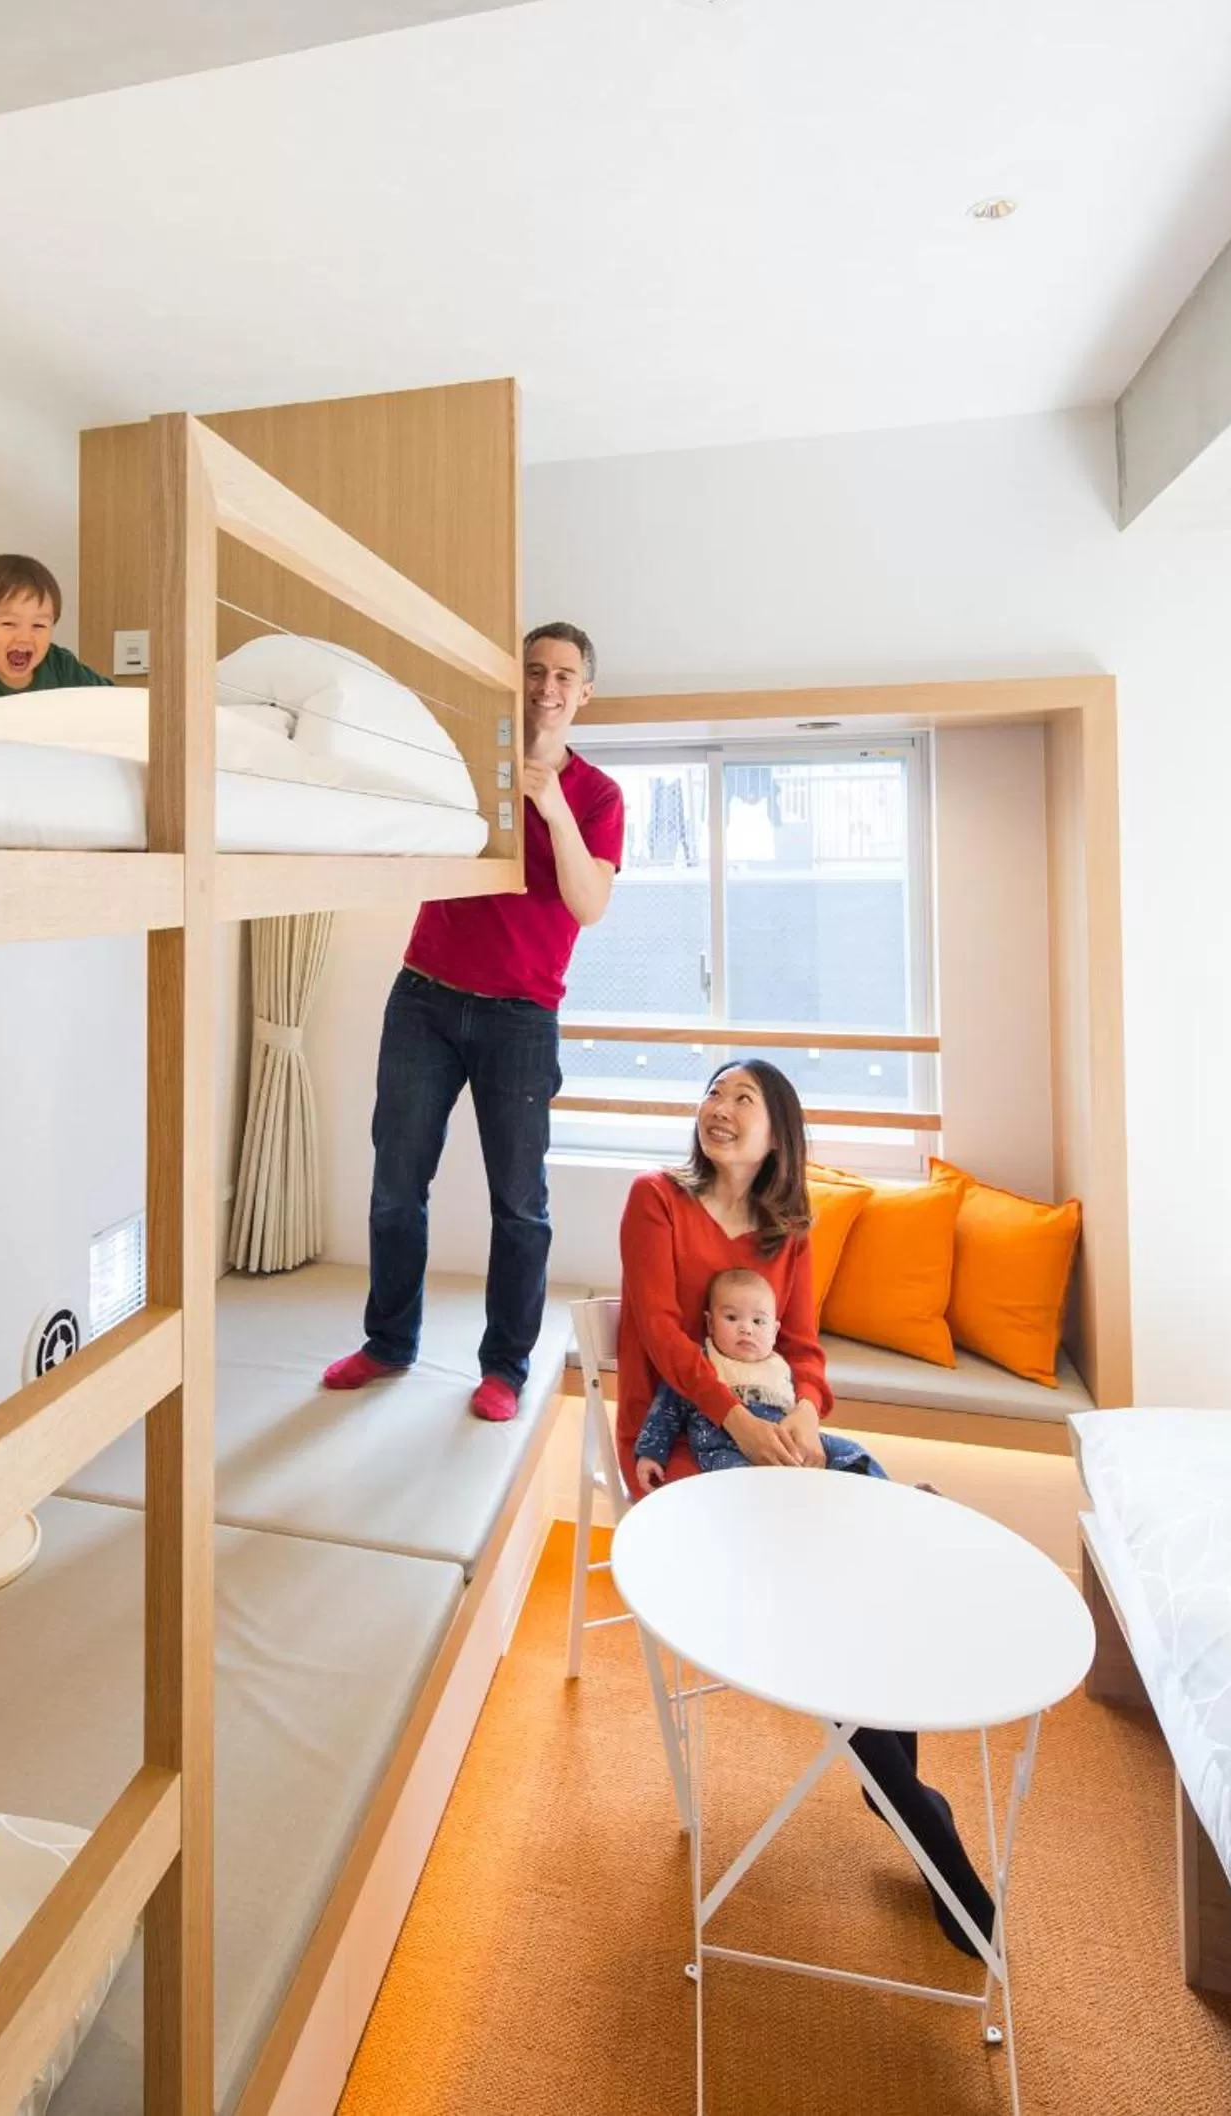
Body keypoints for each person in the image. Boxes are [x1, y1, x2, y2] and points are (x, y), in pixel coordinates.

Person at [617, 1060, 996, 1957]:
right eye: (712, 1093)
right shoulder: (654, 1200)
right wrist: (738, 1422)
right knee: (823, 1586)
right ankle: (914, 1812)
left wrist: (804, 1416)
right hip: (685, 1440)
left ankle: (891, 1784)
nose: (717, 1108)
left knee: (868, 1559)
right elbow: (660, 1334)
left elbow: (801, 1349)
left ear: (776, 1133)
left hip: (772, 1435)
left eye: (741, 1099)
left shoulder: (787, 1231)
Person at [322, 624, 624, 1422]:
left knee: (518, 1203)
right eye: (534, 671)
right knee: (395, 1186)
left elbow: (588, 904)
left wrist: (549, 805)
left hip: (521, 1016)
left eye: (563, 676)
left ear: (583, 693)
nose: (546, 687)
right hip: (424, 997)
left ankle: (504, 1367)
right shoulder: (465, 764)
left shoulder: (597, 796)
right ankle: (388, 1342)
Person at [634, 1266, 885, 1491]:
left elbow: (804, 1398)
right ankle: (773, 1509)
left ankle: (884, 1495)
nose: (746, 1328)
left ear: (774, 1331)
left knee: (850, 1451)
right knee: (740, 1481)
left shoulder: (781, 1366)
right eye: (732, 1318)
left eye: (758, 1321)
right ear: (710, 1324)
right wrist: (651, 1454)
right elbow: (665, 1411)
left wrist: (803, 1436)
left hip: (786, 1440)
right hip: (725, 1446)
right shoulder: (702, 1361)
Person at [0, 555, 111, 710]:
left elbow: (113, 700)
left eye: (39, 625)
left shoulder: (62, 666)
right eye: (9, 623)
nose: (25, 637)